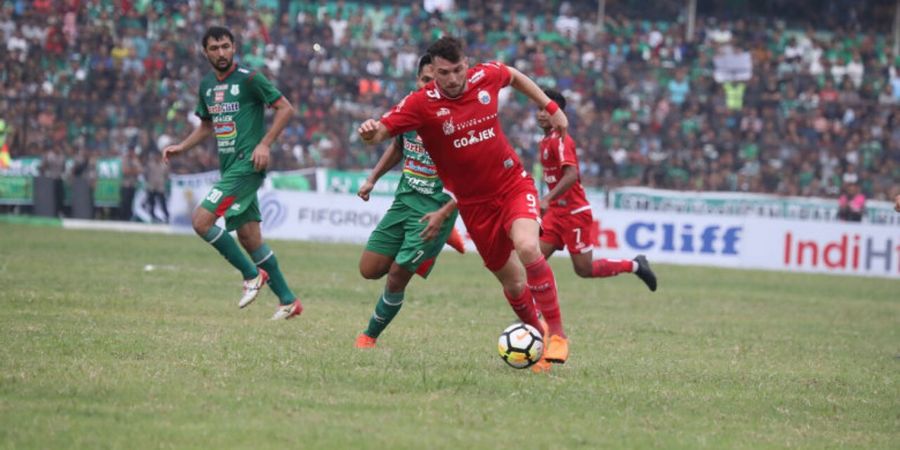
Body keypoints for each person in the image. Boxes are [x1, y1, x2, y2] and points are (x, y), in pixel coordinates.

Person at [358, 37, 570, 372]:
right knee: (513, 285)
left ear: (466, 63)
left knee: (529, 247)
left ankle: (557, 335)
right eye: (444, 72)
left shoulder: (484, 77)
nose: (454, 79)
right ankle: (540, 340)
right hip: (473, 206)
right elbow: (383, 131)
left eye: (458, 69)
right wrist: (370, 131)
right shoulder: (421, 103)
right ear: (435, 71)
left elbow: (513, 75)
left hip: (512, 184)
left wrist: (551, 107)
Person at [162, 26, 302, 320]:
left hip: (248, 165)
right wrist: (182, 148)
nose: (221, 53)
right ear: (205, 52)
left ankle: (252, 275)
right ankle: (288, 301)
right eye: (214, 48)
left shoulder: (250, 79)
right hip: (230, 167)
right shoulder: (207, 86)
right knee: (250, 238)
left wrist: (265, 144)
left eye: (225, 46)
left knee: (201, 221)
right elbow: (206, 126)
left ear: (234, 47)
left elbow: (285, 108)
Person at [354, 55, 466, 349]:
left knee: (395, 278)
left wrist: (446, 212)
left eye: (436, 81)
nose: (430, 86)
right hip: (404, 202)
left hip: (433, 212)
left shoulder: (458, 116)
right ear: (418, 81)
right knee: (368, 270)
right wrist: (372, 179)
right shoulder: (410, 108)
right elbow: (397, 145)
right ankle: (437, 244)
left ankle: (369, 336)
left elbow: (472, 177)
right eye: (425, 80)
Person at [536, 89, 657, 291]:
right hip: (555, 214)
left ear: (559, 114)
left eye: (546, 110)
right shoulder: (545, 142)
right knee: (533, 263)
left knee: (584, 269)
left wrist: (547, 198)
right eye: (539, 109)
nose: (541, 114)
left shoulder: (561, 140)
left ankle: (635, 265)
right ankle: (536, 313)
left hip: (573, 212)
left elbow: (571, 174)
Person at [144, 150, 170, 223]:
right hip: (151, 186)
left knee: (163, 202)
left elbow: (166, 175)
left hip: (160, 187)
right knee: (151, 203)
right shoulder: (150, 164)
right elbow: (145, 174)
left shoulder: (164, 165)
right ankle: (152, 216)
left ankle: (167, 216)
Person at [120, 146, 142, 221]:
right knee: (124, 202)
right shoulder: (125, 159)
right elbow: (125, 171)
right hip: (125, 184)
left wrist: (132, 170)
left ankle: (128, 217)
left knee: (131, 202)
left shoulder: (135, 160)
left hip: (132, 184)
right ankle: (122, 218)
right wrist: (133, 171)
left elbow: (139, 171)